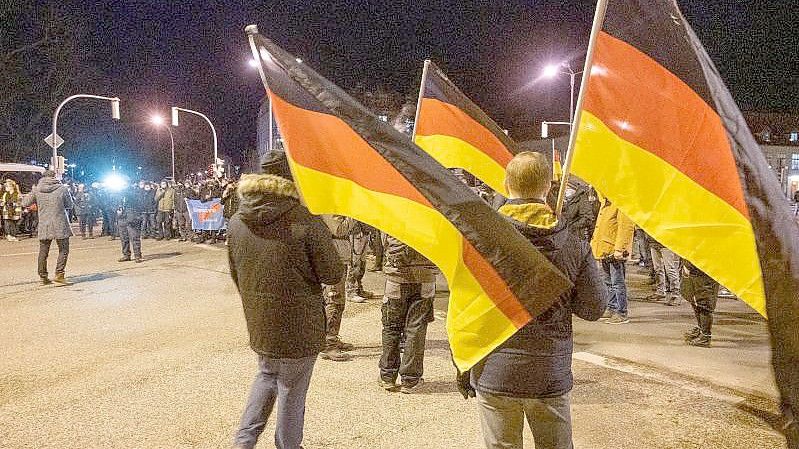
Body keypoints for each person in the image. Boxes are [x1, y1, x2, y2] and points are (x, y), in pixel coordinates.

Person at [465, 152, 607, 449]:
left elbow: (465, 308)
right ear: (547, 187)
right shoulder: (572, 244)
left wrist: (464, 363)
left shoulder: (480, 240)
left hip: (495, 367)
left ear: (506, 184)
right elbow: (593, 308)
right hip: (548, 372)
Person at [228, 153, 343, 449]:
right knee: (292, 390)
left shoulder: (237, 222)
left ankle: (243, 443)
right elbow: (332, 273)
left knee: (266, 376)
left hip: (261, 322)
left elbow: (236, 273)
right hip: (300, 326)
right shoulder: (304, 220)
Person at [378, 233, 436, 393]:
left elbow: (385, 242)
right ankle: (410, 380)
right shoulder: (433, 214)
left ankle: (387, 376)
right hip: (425, 277)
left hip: (396, 277)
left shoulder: (393, 212)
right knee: (416, 329)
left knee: (391, 327)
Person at [22, 171, 74, 285]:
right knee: (64, 250)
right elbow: (70, 205)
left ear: (43, 177)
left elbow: (25, 203)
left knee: (43, 251)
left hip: (44, 224)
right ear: (54, 176)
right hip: (60, 223)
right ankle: (59, 275)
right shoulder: (62, 189)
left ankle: (43, 276)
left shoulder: (37, 189)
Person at [591, 197, 635, 324]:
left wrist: (620, 249)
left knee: (617, 283)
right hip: (605, 249)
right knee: (608, 281)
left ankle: (621, 312)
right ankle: (612, 307)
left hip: (614, 251)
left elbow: (626, 227)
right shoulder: (606, 204)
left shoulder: (620, 204)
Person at [682, 260, 720, 347]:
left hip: (705, 271)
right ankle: (701, 329)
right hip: (693, 271)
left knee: (704, 304)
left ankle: (706, 337)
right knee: (695, 302)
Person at [647, 234, 682, 306]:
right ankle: (660, 291)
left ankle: (676, 295)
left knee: (670, 270)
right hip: (653, 242)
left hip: (666, 242)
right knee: (657, 269)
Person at [118, 184, 145, 263]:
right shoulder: (118, 195)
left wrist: (126, 192)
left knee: (134, 237)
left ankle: (137, 255)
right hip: (122, 218)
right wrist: (116, 210)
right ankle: (126, 255)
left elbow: (138, 203)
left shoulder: (133, 193)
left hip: (132, 218)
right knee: (124, 238)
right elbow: (113, 203)